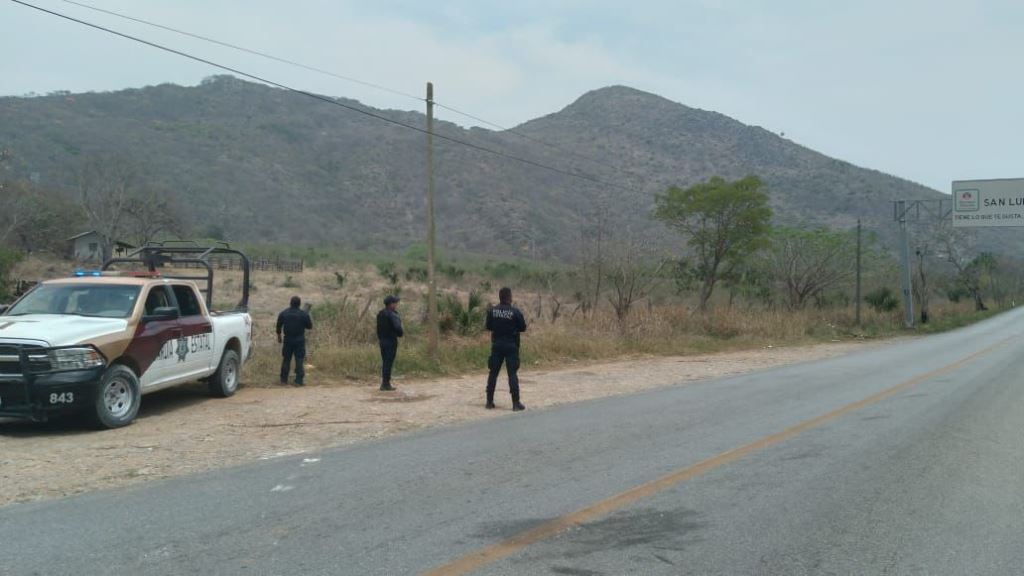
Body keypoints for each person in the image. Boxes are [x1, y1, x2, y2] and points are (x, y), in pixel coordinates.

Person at [485, 286, 527, 411]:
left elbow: (488, 326)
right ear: (509, 297)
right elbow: (523, 327)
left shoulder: (492, 311)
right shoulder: (515, 312)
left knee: (493, 373)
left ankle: (489, 401)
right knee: (512, 374)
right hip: (511, 345)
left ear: (500, 297)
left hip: (497, 345)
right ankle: (515, 403)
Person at [276, 295, 313, 386]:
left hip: (288, 340)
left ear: (290, 303)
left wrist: (279, 336)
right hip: (299, 340)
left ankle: (283, 380)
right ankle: (298, 381)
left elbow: (278, 326)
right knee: (299, 360)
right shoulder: (303, 314)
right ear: (299, 304)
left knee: (286, 359)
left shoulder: (284, 313)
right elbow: (309, 327)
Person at [376, 295, 404, 391]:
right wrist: (400, 334)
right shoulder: (392, 314)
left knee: (385, 362)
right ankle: (385, 384)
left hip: (382, 341)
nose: (396, 304)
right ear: (391, 304)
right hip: (391, 341)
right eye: (395, 303)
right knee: (388, 362)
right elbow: (398, 327)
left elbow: (378, 329)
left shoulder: (380, 314)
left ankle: (385, 382)